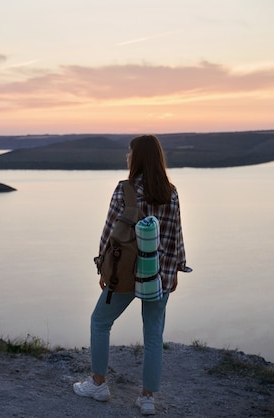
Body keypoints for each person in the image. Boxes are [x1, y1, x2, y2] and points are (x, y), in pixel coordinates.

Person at [73, 134, 191, 416]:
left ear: (136, 158)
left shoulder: (124, 190)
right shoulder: (171, 191)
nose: (126, 156)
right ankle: (147, 399)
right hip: (158, 275)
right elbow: (176, 235)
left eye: (129, 152)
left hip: (125, 274)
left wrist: (104, 268)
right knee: (153, 335)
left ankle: (98, 384)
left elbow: (110, 234)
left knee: (100, 322)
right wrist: (176, 270)